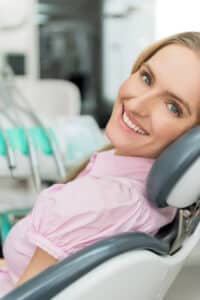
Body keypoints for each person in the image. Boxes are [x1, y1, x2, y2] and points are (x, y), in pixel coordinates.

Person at [1, 31, 200, 297]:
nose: (137, 104)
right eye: (146, 78)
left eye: (173, 107)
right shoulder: (142, 199)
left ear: (192, 140)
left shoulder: (96, 202)